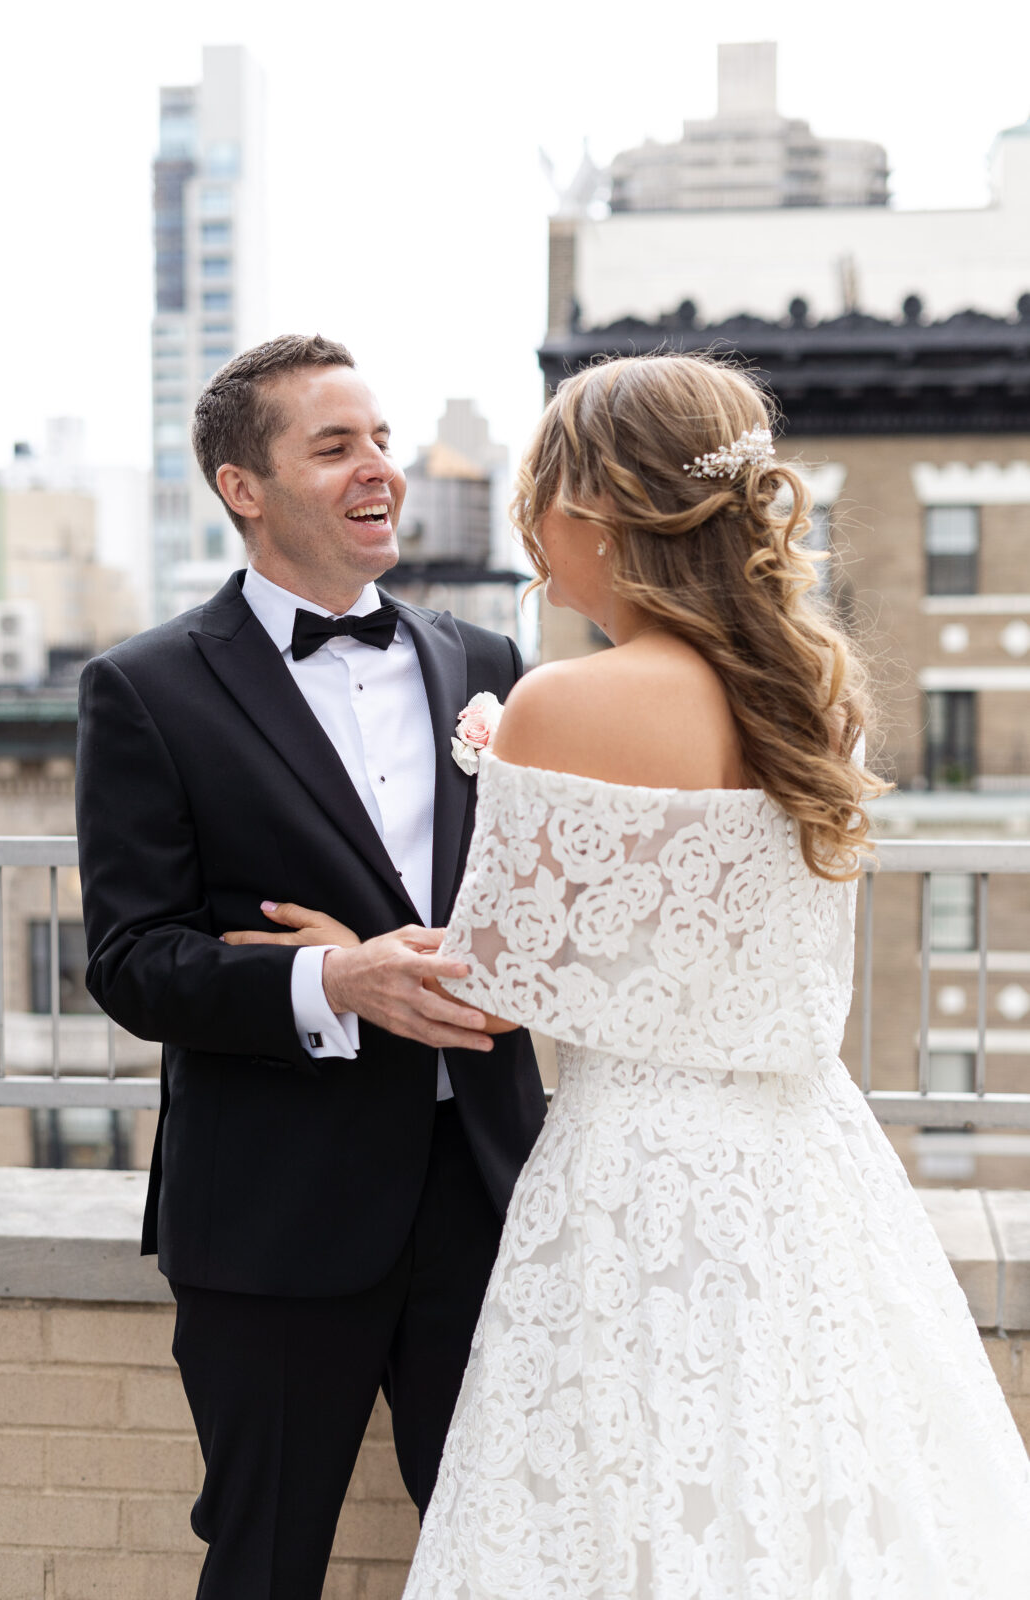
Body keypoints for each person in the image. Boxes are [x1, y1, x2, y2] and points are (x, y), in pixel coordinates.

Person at [392, 354, 1030, 1596]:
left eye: (542, 496)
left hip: (636, 1168)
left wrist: (348, 952)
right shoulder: (813, 690)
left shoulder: (559, 701)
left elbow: (490, 986)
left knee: (629, 1490)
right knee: (811, 1488)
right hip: (809, 1161)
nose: (531, 531)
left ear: (594, 512)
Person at [74, 333, 546, 1600]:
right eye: (334, 446)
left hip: (486, 1191)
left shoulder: (484, 666)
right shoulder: (144, 688)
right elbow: (129, 960)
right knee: (263, 1561)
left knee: (504, 1551)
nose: (376, 467)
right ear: (245, 487)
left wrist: (435, 961)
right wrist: (330, 986)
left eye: (380, 439)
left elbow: (536, 905)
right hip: (276, 1214)